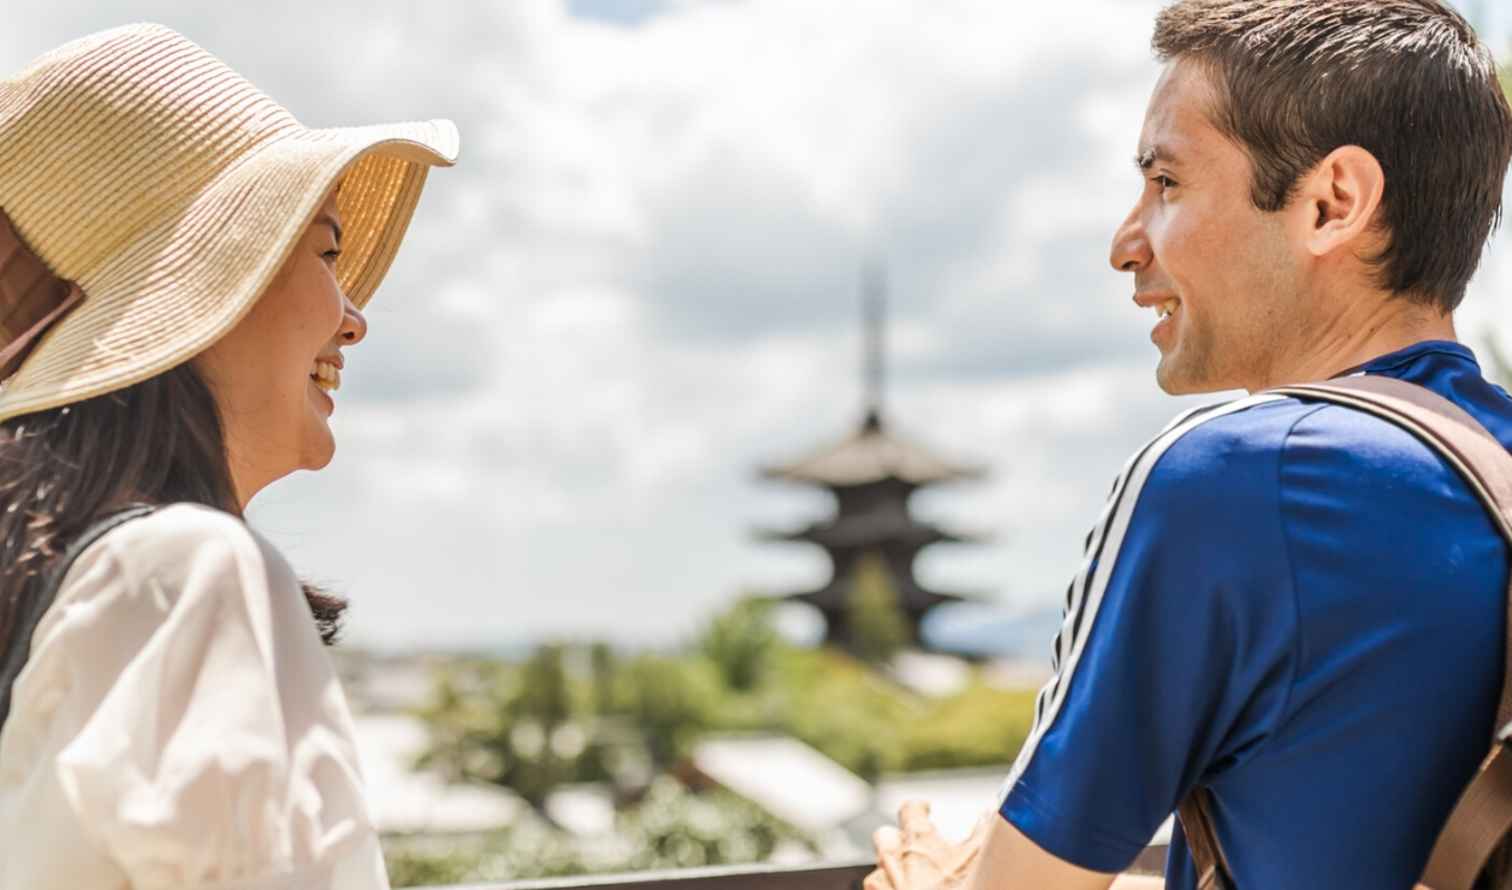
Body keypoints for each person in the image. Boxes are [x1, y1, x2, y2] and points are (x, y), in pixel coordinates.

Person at [866, 1, 1512, 888]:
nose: (1125, 245)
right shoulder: (1491, 465)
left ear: (1333, 203)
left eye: (1165, 183)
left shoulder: (1239, 478)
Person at [0, 24, 457, 889]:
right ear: (212, 279)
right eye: (326, 250)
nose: (354, 315)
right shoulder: (183, 573)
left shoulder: (78, 584)